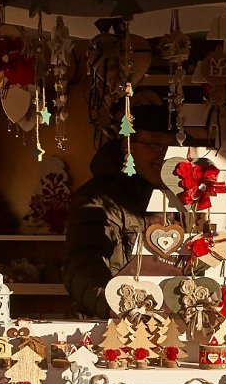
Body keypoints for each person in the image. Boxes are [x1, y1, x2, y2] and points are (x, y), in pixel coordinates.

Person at [63, 102, 177, 318]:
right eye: (157, 145)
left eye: (175, 148)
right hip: (115, 326)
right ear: (128, 146)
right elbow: (83, 265)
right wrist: (114, 305)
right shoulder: (98, 198)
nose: (166, 157)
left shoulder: (187, 198)